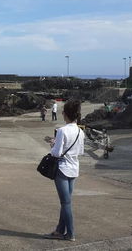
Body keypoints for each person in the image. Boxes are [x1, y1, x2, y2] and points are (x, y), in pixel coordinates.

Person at [45, 99, 85, 242]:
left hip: (62, 169)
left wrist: (52, 144)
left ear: (65, 114)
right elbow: (80, 151)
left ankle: (70, 234)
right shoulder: (81, 131)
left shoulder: (62, 131)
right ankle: (60, 230)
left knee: (65, 203)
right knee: (66, 202)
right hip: (74, 168)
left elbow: (56, 153)